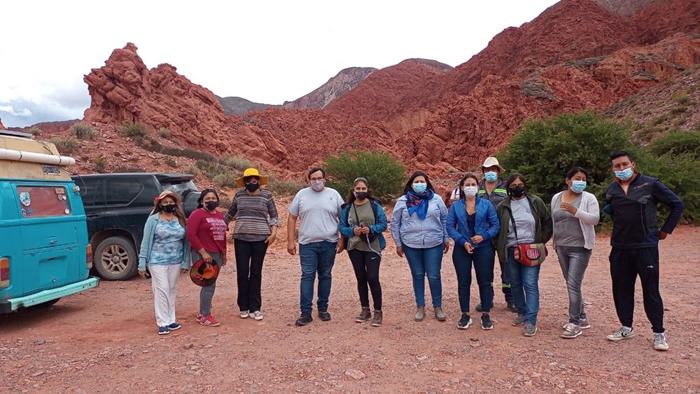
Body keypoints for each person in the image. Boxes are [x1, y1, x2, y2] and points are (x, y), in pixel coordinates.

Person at [604, 151, 683, 351]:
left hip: (645, 247)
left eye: (624, 164)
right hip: (620, 247)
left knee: (651, 290)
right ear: (613, 169)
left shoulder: (650, 184)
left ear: (633, 164)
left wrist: (665, 230)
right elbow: (613, 213)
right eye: (617, 166)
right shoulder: (612, 190)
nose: (621, 169)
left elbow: (676, 204)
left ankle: (659, 333)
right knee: (621, 288)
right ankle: (626, 327)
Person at [495, 174, 552, 337]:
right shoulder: (503, 206)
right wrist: (499, 245)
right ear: (508, 187)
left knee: (530, 283)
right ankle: (522, 312)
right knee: (515, 283)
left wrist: (541, 240)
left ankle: (531, 320)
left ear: (525, 185)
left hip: (532, 248)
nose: (517, 187)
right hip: (511, 249)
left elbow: (547, 221)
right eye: (513, 185)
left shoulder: (535, 202)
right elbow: (496, 228)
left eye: (520, 184)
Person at [287, 168, 344, 326]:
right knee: (307, 276)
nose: (317, 181)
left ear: (325, 179)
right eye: (313, 178)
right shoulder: (302, 194)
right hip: (307, 244)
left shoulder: (333, 194)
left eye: (319, 178)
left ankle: (323, 309)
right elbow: (292, 217)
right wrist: (290, 241)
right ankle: (305, 313)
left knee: (325, 275)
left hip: (329, 242)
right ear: (308, 180)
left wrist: (342, 239)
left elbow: (343, 217)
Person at [391, 171, 449, 322]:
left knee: (434, 275)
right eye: (416, 182)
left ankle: (438, 306)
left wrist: (446, 238)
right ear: (411, 184)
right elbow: (395, 223)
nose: (419, 184)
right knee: (417, 275)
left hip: (434, 242)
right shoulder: (403, 201)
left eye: (422, 181)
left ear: (427, 183)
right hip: (411, 244)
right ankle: (420, 306)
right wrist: (398, 243)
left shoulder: (436, 199)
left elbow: (444, 219)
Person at [446, 173, 500, 330]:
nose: (470, 187)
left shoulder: (486, 205)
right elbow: (450, 227)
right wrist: (462, 241)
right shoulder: (455, 206)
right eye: (467, 184)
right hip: (462, 249)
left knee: (485, 281)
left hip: (483, 248)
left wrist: (483, 236)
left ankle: (485, 314)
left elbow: (495, 225)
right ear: (462, 187)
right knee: (463, 281)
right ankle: (465, 314)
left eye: (473, 184)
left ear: (478, 187)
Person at [551, 167, 600, 339]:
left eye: (583, 179)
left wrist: (576, 211)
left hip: (580, 247)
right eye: (577, 178)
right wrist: (554, 242)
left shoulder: (589, 198)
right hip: (561, 246)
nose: (580, 182)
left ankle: (574, 323)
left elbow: (595, 219)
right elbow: (554, 221)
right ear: (567, 180)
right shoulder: (556, 198)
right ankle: (582, 317)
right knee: (571, 283)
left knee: (573, 284)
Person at [224, 168, 278, 321]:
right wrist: (221, 226)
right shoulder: (239, 195)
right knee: (242, 273)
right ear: (245, 181)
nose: (252, 182)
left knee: (256, 272)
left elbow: (274, 215)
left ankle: (255, 308)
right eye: (249, 179)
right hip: (241, 238)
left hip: (261, 239)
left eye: (255, 179)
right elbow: (230, 213)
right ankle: (243, 306)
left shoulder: (267, 196)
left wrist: (273, 233)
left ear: (259, 180)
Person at [138, 190, 190, 335]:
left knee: (172, 289)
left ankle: (171, 319)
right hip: (156, 260)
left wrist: (186, 262)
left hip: (175, 260)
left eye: (171, 202)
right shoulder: (153, 220)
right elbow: (146, 241)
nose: (169, 204)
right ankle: (162, 322)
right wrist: (142, 263)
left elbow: (186, 242)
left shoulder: (180, 219)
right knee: (162, 288)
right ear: (160, 204)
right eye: (165, 202)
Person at [338, 177, 388, 327]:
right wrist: (352, 230)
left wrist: (371, 229)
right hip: (354, 247)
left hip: (372, 246)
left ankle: (378, 311)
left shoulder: (375, 205)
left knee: (372, 278)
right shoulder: (347, 208)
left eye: (363, 189)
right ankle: (365, 310)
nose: (360, 191)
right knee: (361, 278)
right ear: (353, 190)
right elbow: (342, 227)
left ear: (367, 190)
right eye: (358, 189)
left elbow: (384, 224)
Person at [476, 156, 514, 312]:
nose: (490, 172)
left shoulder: (506, 187)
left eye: (493, 169)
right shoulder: (477, 187)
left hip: (503, 234)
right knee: (485, 269)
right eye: (487, 169)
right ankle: (487, 299)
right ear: (483, 171)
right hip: (483, 235)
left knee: (507, 269)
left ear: (498, 171)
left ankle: (510, 299)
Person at [187, 188, 227, 327]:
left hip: (217, 253)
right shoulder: (197, 214)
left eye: (213, 198)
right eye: (207, 199)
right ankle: (205, 315)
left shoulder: (220, 215)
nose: (211, 201)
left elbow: (222, 236)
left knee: (210, 284)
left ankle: (203, 312)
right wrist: (203, 253)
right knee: (208, 284)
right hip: (204, 254)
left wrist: (224, 254)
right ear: (202, 201)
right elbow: (191, 235)